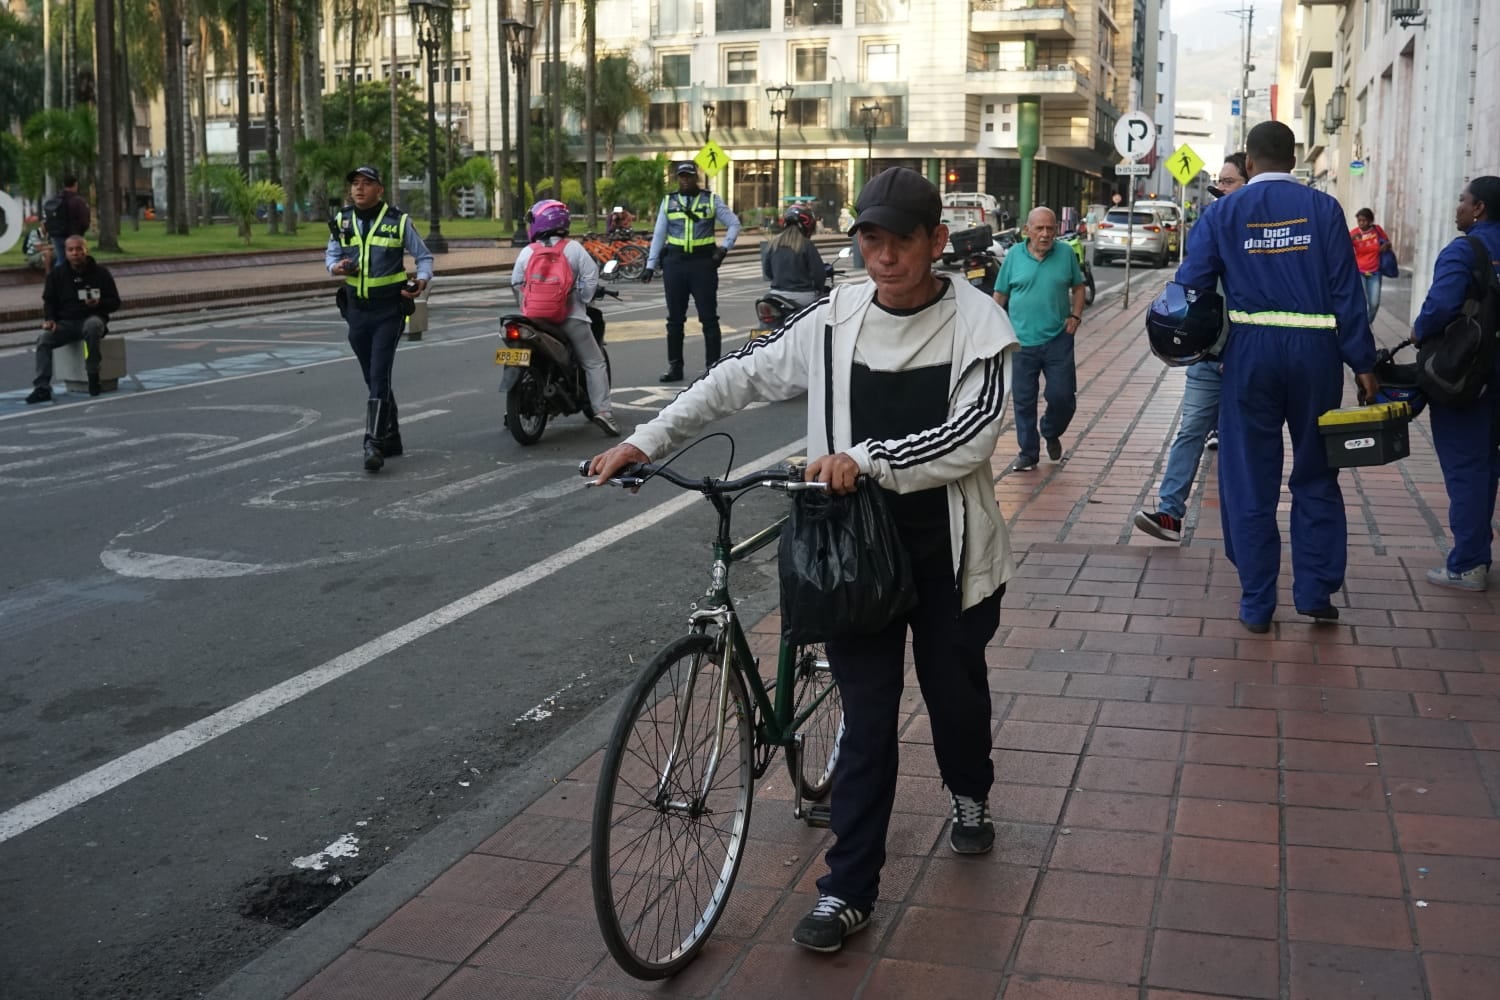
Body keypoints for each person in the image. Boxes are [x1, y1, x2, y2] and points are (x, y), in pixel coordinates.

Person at [588, 167, 1019, 955]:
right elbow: (740, 378)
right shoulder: (833, 317)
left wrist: (870, 457)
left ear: (936, 243)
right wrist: (644, 439)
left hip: (946, 550)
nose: (884, 258)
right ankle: (847, 891)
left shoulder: (979, 324)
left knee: (955, 694)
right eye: (870, 240)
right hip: (850, 550)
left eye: (901, 242)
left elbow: (975, 435)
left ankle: (970, 794)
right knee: (868, 718)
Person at [1174, 121, 1377, 632]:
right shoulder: (1325, 210)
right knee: (1317, 471)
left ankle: (1257, 602)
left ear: (1248, 163)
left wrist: (1206, 345)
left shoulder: (1224, 212)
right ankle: (1315, 591)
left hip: (1250, 355)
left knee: (1248, 478)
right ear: (1294, 159)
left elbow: (1190, 288)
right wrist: (1364, 363)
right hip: (1316, 354)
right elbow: (1346, 292)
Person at [1134, 153, 1249, 542]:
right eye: (1220, 182)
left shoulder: (1256, 236)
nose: (1221, 189)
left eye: (1229, 181)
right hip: (1208, 354)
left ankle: (1246, 521)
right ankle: (1170, 514)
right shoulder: (1212, 226)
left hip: (1248, 358)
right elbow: (1188, 283)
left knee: (1244, 441)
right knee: (1191, 430)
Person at [1411, 176, 1500, 591]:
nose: (1458, 206)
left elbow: (1440, 306)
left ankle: (1468, 563)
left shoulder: (1465, 250)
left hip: (1472, 375)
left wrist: (1418, 331)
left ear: (1479, 207)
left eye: (1462, 200)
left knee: (1468, 465)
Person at [325, 165, 433, 472]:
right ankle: (393, 435)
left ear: (379, 190)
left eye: (366, 183)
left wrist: (421, 281)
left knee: (379, 372)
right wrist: (338, 267)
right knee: (373, 376)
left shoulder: (397, 221)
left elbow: (424, 257)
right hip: (356, 311)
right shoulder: (341, 220)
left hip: (389, 310)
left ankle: (373, 442)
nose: (359, 188)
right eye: (355, 183)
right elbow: (330, 256)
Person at [510, 198, 618, 437]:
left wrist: (528, 304)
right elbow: (590, 278)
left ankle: (514, 410)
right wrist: (583, 298)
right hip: (570, 318)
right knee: (594, 362)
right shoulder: (573, 249)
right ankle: (602, 411)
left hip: (533, 320)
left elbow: (515, 282)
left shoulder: (528, 251)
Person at [992, 205, 1086, 471]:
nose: (1045, 234)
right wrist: (993, 332)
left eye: (1050, 228)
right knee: (1024, 400)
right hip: (1021, 342)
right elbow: (999, 297)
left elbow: (1078, 289)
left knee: (1063, 397)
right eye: (1039, 228)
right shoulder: (1013, 258)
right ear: (1027, 231)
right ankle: (1028, 453)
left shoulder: (1066, 253)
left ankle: (1050, 430)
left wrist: (1076, 317)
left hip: (1058, 338)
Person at [641, 162, 741, 382]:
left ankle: (713, 367)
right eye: (681, 177)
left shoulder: (711, 199)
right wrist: (650, 265)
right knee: (675, 320)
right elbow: (659, 234)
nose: (685, 180)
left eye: (689, 176)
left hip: (703, 264)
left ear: (696, 177)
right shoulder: (669, 201)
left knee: (709, 318)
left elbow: (734, 223)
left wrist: (724, 248)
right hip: (675, 264)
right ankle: (675, 367)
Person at [26, 236, 121, 403]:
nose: (75, 253)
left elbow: (115, 302)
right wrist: (50, 319)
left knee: (92, 326)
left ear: (86, 250)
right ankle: (42, 387)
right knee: (44, 339)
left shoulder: (101, 273)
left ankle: (93, 374)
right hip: (66, 323)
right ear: (66, 252)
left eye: (79, 249)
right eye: (71, 250)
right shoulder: (57, 274)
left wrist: (99, 303)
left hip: (92, 318)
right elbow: (49, 300)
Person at [760, 203, 828, 310]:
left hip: (775, 296)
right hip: (804, 296)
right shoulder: (806, 245)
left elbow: (767, 273)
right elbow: (819, 275)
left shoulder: (773, 244)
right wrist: (819, 289)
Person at [1350, 208, 1393, 322]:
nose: (1361, 223)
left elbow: (1388, 242)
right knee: (1361, 302)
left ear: (1370, 221)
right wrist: (1352, 238)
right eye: (1359, 221)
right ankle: (1362, 327)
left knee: (1374, 303)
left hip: (1375, 271)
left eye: (1364, 220)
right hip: (1360, 271)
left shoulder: (1377, 230)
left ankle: (1368, 323)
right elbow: (1341, 246)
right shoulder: (1354, 233)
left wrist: (1386, 246)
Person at [44, 175, 90, 271]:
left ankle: (56, 280)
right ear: (75, 185)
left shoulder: (55, 199)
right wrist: (81, 232)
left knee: (61, 259)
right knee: (77, 259)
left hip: (56, 234)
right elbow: (84, 220)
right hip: (73, 235)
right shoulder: (77, 200)